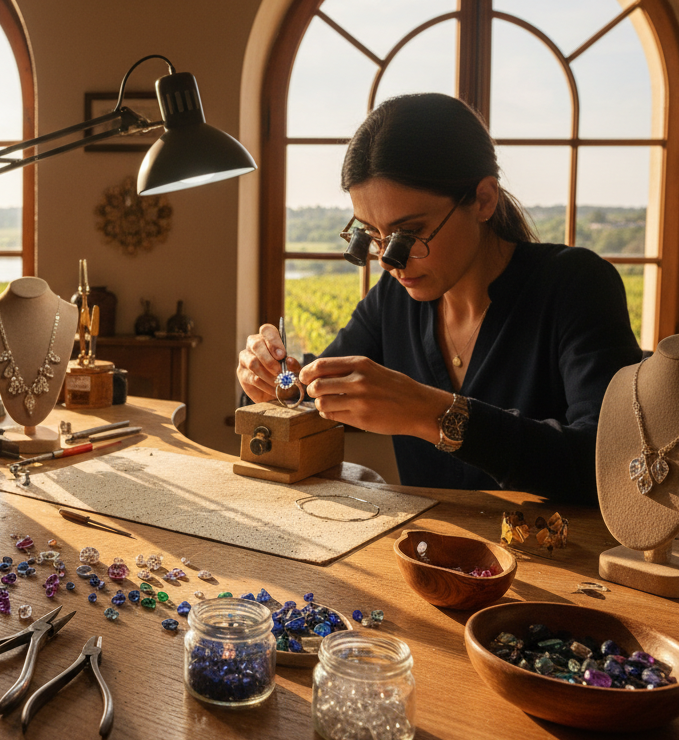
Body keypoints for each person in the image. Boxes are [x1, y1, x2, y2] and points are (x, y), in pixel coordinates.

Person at [237, 93, 641, 504]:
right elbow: (312, 391)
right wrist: (272, 378)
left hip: (556, 561)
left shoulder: (574, 284)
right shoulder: (394, 301)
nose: (388, 261)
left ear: (483, 200)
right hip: (426, 553)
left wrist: (433, 414)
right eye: (371, 235)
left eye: (408, 234)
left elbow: (612, 465)